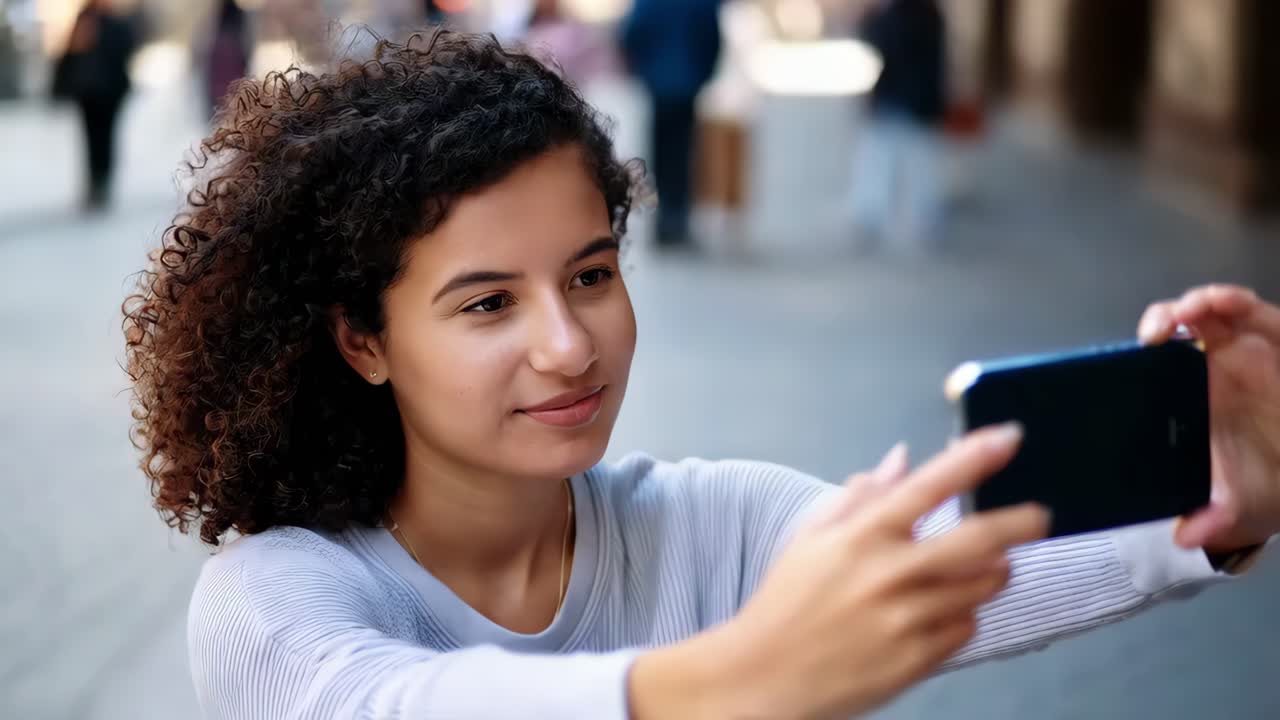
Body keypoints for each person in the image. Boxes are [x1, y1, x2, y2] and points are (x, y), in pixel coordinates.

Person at [122, 32, 1279, 719]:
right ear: (361, 340)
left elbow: (955, 568)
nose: (567, 345)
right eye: (486, 303)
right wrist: (750, 672)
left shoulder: (709, 523)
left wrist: (1220, 496)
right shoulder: (275, 598)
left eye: (587, 275)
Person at [620, 0, 723, 249]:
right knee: (684, 150)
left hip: (659, 83)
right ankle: (677, 216)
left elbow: (632, 32)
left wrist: (642, 68)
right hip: (687, 83)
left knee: (662, 149)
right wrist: (704, 73)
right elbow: (712, 36)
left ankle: (665, 214)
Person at [849, 0, 947, 251]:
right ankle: (917, 218)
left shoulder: (904, 14)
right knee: (912, 162)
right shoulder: (929, 13)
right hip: (915, 100)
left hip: (901, 99)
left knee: (885, 159)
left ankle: (878, 214)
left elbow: (884, 44)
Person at [52, 0, 137, 210]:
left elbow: (125, 49)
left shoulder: (115, 23)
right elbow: (68, 54)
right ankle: (93, 182)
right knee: (90, 138)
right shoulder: (83, 19)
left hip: (109, 92)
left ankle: (103, 181)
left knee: (106, 137)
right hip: (87, 92)